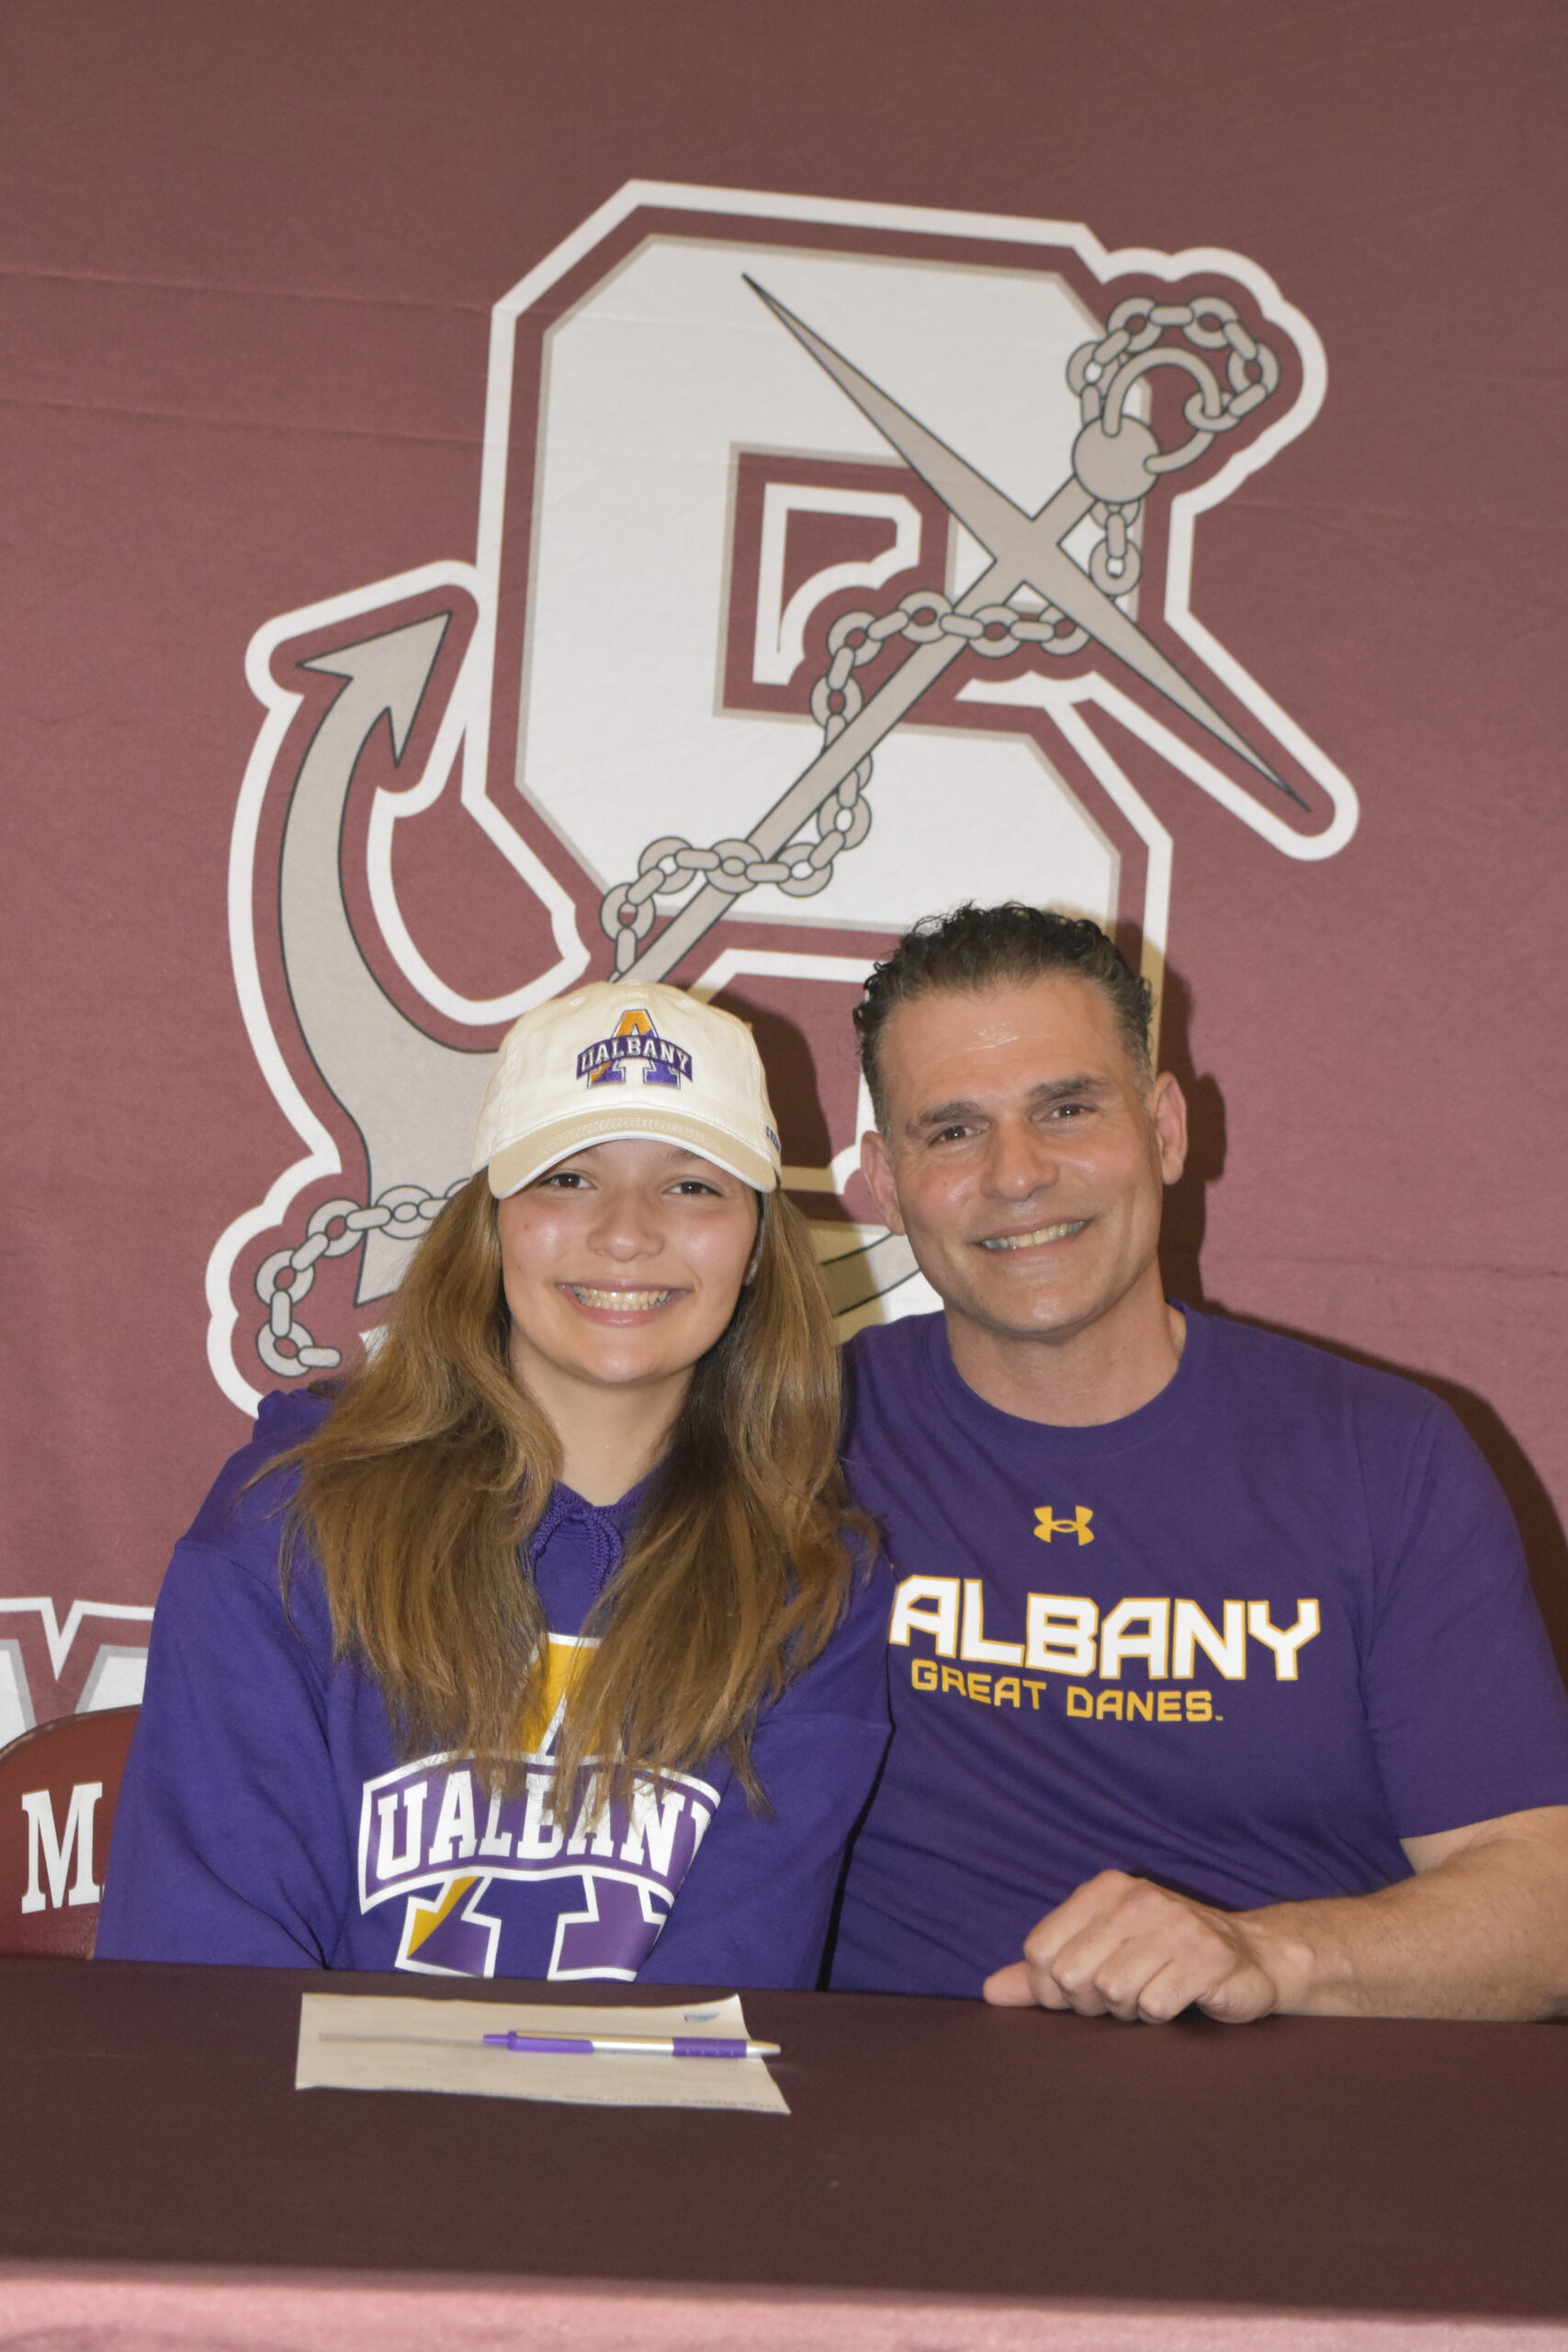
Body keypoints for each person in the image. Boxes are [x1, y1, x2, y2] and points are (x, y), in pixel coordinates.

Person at [827, 903, 1568, 2021]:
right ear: (885, 1179)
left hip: (1283, 2149)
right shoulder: (789, 1436)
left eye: (1067, 1108)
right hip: (877, 2148)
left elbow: (1546, 1904)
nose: (1017, 1174)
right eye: (953, 1130)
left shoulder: (1382, 1454)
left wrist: (1266, 1956)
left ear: (1165, 1127)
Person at [99, 981, 888, 1985]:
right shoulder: (290, 1521)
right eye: (567, 1177)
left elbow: (733, 1996)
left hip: (646, 2140)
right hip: (316, 2134)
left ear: (760, 1245)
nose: (627, 1231)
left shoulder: (815, 1584)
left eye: (694, 1186)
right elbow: (203, 1972)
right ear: (491, 1221)